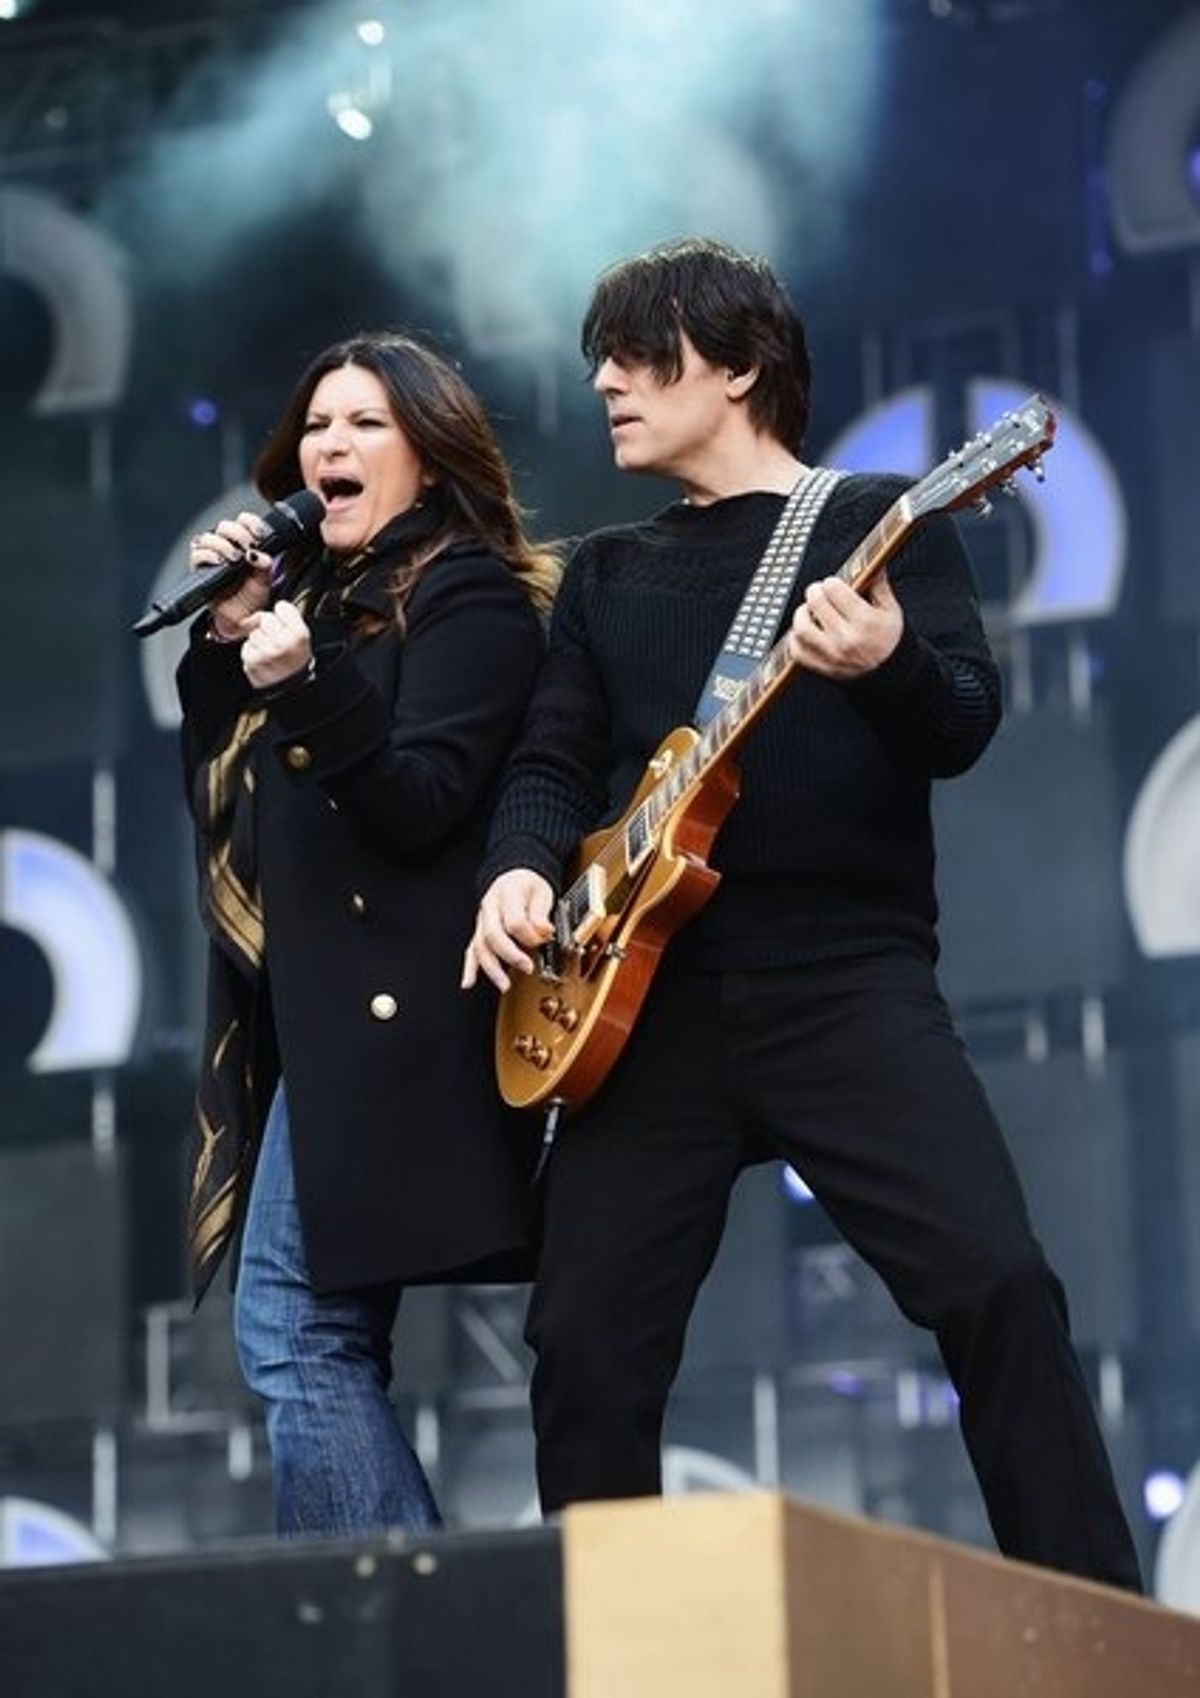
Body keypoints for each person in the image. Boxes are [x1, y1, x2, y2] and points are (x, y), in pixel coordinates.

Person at [462, 238, 1142, 1590]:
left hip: (847, 984)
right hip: (650, 1006)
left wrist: (889, 662)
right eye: (601, 354)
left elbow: (960, 723)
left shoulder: (884, 516)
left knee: (998, 1285)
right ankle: (610, 1656)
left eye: (639, 353)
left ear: (741, 366)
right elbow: (552, 759)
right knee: (586, 1344)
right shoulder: (603, 575)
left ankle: (1108, 1637)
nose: (603, 379)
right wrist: (520, 866)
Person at [177, 330, 558, 1537]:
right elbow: (232, 800)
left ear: (432, 458)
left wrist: (302, 677)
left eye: (364, 427)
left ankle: (389, 1620)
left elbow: (421, 802)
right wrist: (228, 638)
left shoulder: (471, 596)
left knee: (298, 1327)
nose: (326, 448)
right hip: (322, 1026)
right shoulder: (317, 603)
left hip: (410, 1021)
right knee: (313, 1330)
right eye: (316, 430)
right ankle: (395, 1617)